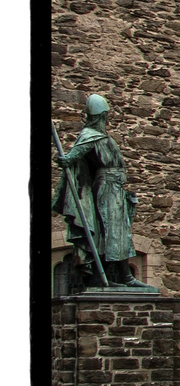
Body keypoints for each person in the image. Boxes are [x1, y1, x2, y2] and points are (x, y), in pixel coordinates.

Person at [52, 94, 148, 288]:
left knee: (114, 232)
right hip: (107, 188)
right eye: (105, 115)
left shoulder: (102, 136)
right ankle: (123, 277)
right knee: (113, 232)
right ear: (101, 116)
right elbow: (76, 154)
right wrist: (67, 159)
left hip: (115, 188)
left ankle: (111, 277)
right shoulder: (90, 135)